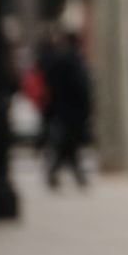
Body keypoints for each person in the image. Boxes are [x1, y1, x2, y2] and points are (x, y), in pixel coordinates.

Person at [38, 31, 93, 190]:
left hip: (62, 109)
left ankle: (69, 175)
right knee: (68, 144)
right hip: (72, 111)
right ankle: (71, 175)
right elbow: (80, 87)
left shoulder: (59, 60)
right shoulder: (73, 61)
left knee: (69, 145)